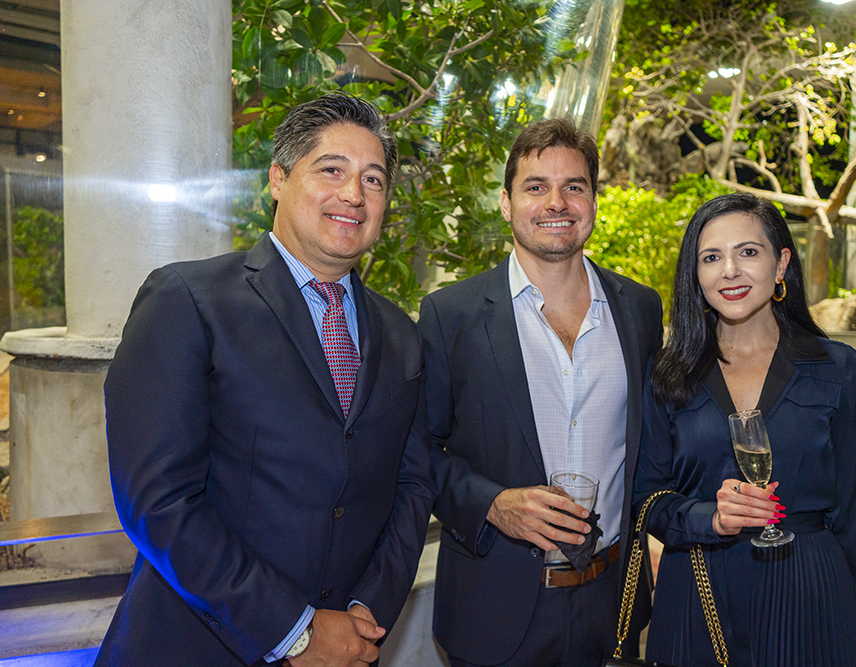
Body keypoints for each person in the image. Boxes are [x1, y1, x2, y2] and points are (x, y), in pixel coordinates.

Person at [97, 93, 434, 667]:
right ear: (278, 178)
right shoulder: (188, 300)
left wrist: (361, 619)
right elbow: (157, 500)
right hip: (196, 646)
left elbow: (412, 487)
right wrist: (295, 631)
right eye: (332, 170)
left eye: (373, 180)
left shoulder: (401, 335)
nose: (354, 194)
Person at [420, 118, 663, 667]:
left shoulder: (641, 310)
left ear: (594, 200)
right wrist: (493, 504)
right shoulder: (450, 315)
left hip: (612, 604)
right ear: (506, 203)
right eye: (536, 187)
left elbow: (651, 448)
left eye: (574, 186)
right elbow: (417, 454)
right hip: (492, 608)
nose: (557, 202)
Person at [634, 193, 856, 667]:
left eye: (748, 252)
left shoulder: (838, 368)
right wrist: (706, 517)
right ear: (695, 275)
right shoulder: (668, 373)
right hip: (698, 594)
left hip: (809, 592)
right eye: (711, 257)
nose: (729, 270)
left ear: (781, 265)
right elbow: (644, 499)